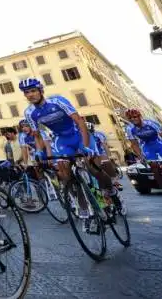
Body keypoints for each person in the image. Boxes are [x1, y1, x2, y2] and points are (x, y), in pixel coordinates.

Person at [19, 78, 116, 215]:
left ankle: (110, 188)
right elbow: (37, 135)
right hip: (61, 140)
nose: (30, 95)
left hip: (78, 134)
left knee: (93, 167)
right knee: (65, 174)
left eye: (33, 91)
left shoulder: (58, 101)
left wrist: (86, 146)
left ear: (40, 90)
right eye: (26, 92)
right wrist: (40, 151)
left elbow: (80, 122)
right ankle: (83, 207)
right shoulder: (29, 113)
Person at [124, 108, 162, 205]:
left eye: (135, 117)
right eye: (130, 118)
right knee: (155, 168)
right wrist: (141, 156)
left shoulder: (151, 123)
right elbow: (134, 144)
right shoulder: (129, 128)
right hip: (147, 147)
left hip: (159, 144)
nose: (133, 119)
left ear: (140, 116)